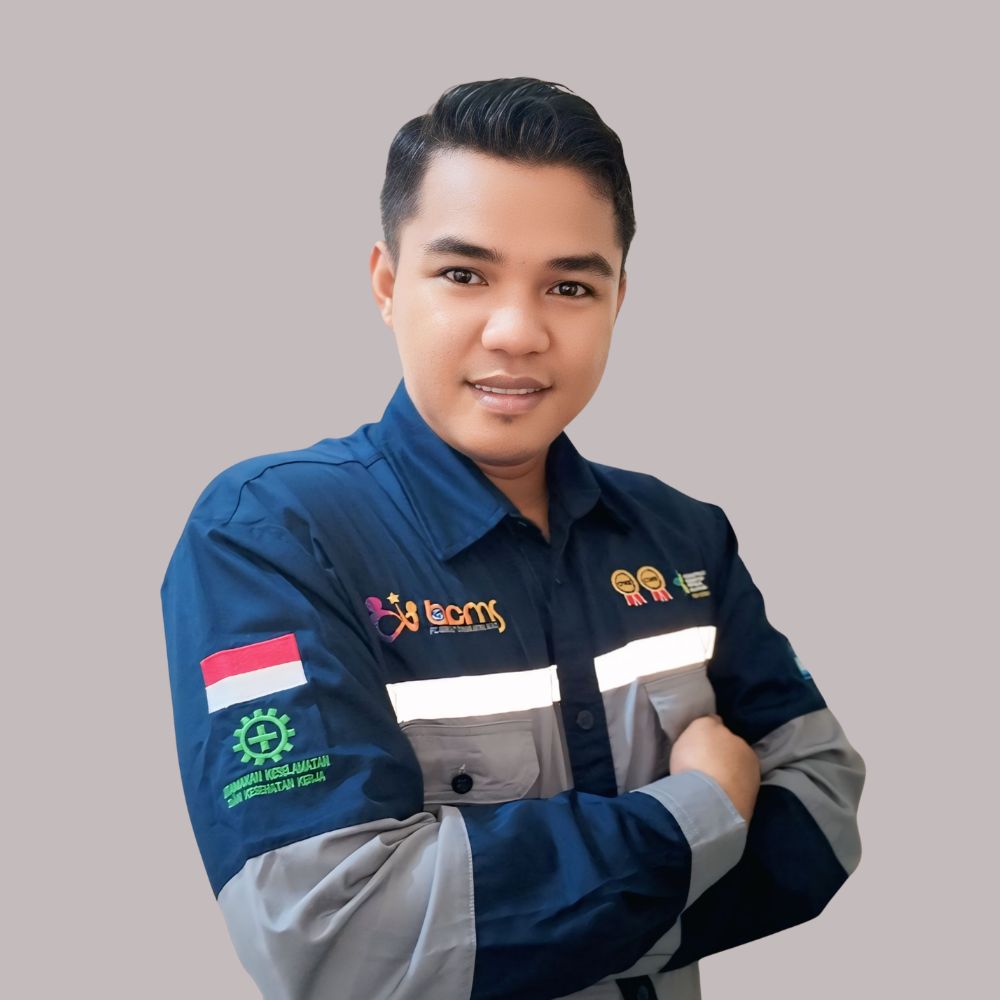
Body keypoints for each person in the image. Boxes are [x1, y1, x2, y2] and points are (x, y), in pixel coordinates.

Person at [160, 77, 866, 1000]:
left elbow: (822, 810)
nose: (518, 331)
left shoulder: (683, 536)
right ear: (386, 283)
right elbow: (334, 940)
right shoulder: (270, 538)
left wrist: (531, 930)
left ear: (617, 300)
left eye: (570, 286)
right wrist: (703, 809)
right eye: (465, 275)